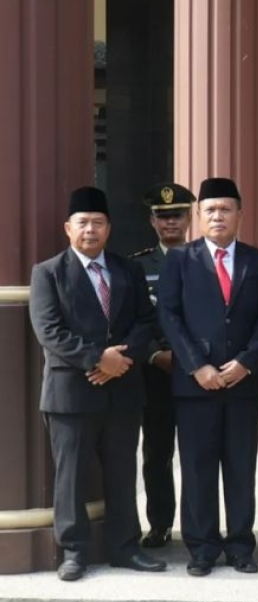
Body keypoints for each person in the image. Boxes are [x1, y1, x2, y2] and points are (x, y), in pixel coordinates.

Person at [29, 186, 166, 581]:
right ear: (68, 228)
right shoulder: (48, 272)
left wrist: (119, 361)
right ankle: (74, 551)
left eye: (98, 223)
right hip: (70, 392)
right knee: (70, 476)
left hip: (123, 389)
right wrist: (97, 359)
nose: (91, 230)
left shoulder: (128, 270)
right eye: (83, 223)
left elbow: (147, 322)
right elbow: (49, 331)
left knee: (123, 473)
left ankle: (126, 548)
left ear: (109, 228)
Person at [157, 177, 258, 577]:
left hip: (244, 382)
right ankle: (202, 547)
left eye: (226, 209)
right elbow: (169, 315)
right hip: (196, 384)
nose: (218, 216)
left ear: (240, 214)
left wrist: (247, 361)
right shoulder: (179, 259)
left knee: (241, 466)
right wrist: (196, 365)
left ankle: (241, 545)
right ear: (198, 216)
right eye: (210, 210)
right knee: (197, 466)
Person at [130, 182, 195, 549]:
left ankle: (198, 526)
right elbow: (136, 318)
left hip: (198, 372)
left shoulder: (204, 258)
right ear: (153, 221)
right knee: (157, 452)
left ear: (189, 218)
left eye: (177, 215)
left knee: (199, 453)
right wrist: (155, 354)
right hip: (155, 373)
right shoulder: (137, 265)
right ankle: (160, 525)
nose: (171, 222)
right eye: (163, 216)